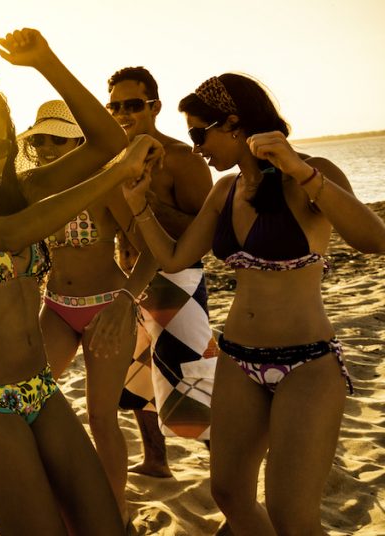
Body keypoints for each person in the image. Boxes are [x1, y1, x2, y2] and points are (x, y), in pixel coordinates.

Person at [0, 28, 161, 533]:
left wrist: (46, 61)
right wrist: (116, 175)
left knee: (104, 525)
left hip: (40, 389)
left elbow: (109, 140)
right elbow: (9, 237)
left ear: (9, 144)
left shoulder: (27, 189)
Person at [122, 72, 385, 535]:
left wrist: (301, 172)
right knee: (229, 493)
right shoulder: (224, 191)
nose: (197, 146)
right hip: (238, 360)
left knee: (293, 517)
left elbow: (374, 240)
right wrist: (139, 205)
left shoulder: (310, 172)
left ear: (235, 124)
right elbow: (175, 257)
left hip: (307, 364)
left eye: (200, 133)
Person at [19, 98, 159, 520]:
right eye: (40, 139)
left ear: (79, 141)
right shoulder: (36, 190)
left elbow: (153, 252)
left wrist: (125, 300)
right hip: (57, 306)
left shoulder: (106, 186)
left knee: (101, 418)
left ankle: (115, 514)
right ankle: (57, 503)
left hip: (106, 308)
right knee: (30, 401)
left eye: (57, 140)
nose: (46, 148)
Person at [107, 66, 217, 478]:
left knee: (194, 387)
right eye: (115, 105)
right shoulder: (113, 160)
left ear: (154, 105)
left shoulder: (182, 158)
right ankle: (156, 461)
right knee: (137, 383)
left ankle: (228, 477)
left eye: (133, 104)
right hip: (128, 284)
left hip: (177, 285)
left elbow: (203, 232)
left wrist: (146, 197)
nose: (123, 112)